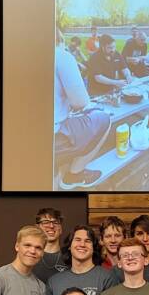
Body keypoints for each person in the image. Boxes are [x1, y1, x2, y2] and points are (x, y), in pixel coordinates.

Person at [54, 31, 108, 190]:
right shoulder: (61, 55)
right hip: (52, 138)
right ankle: (75, 174)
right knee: (103, 118)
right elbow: (80, 102)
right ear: (61, 40)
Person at [45, 224, 117, 295]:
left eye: (87, 241)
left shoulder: (107, 277)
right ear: (69, 246)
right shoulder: (54, 281)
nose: (82, 244)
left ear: (94, 247)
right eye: (77, 240)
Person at [32, 208, 69, 283]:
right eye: (46, 222)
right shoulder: (30, 255)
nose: (51, 226)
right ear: (37, 228)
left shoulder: (69, 257)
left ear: (60, 228)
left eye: (55, 222)